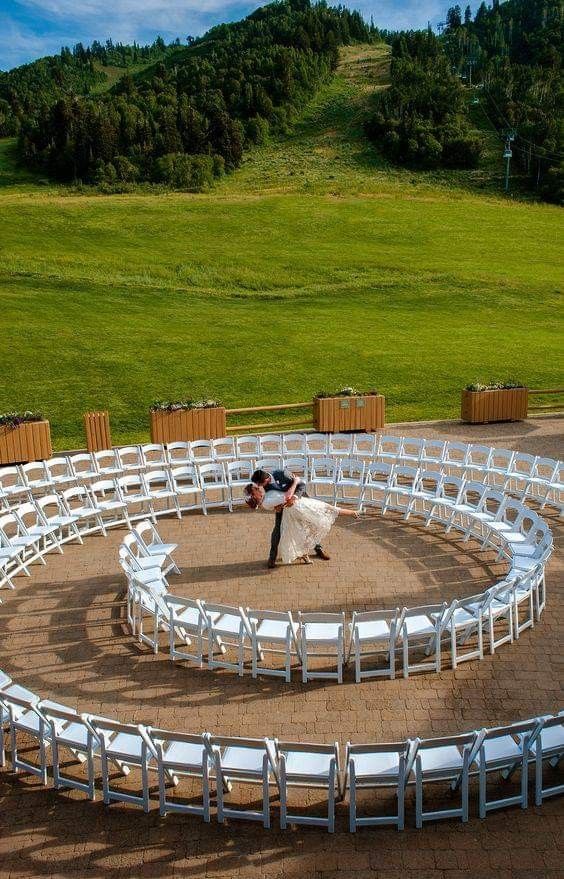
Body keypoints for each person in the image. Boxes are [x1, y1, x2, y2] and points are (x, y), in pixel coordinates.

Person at [245, 479, 360, 566]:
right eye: (256, 489)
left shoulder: (271, 484)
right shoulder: (265, 499)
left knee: (315, 520)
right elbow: (282, 500)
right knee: (293, 531)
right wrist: (280, 505)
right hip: (292, 510)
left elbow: (298, 487)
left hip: (300, 503)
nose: (258, 488)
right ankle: (277, 556)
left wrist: (293, 491)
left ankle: (315, 549)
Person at [250, 468, 329, 569]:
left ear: (266, 480)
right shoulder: (264, 485)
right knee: (277, 528)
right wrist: (275, 507)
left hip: (300, 501)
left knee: (308, 524)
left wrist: (295, 497)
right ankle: (272, 558)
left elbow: (301, 484)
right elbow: (270, 497)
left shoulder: (283, 474)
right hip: (283, 505)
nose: (260, 486)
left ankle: (318, 549)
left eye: (261, 484)